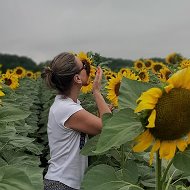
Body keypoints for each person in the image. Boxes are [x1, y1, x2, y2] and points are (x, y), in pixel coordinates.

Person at [41, 52, 111, 190]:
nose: (88, 67)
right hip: (62, 185)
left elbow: (95, 128)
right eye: (84, 65)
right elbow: (108, 127)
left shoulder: (67, 105)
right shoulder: (67, 109)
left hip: (64, 183)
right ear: (77, 78)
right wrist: (96, 91)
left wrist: (102, 111)